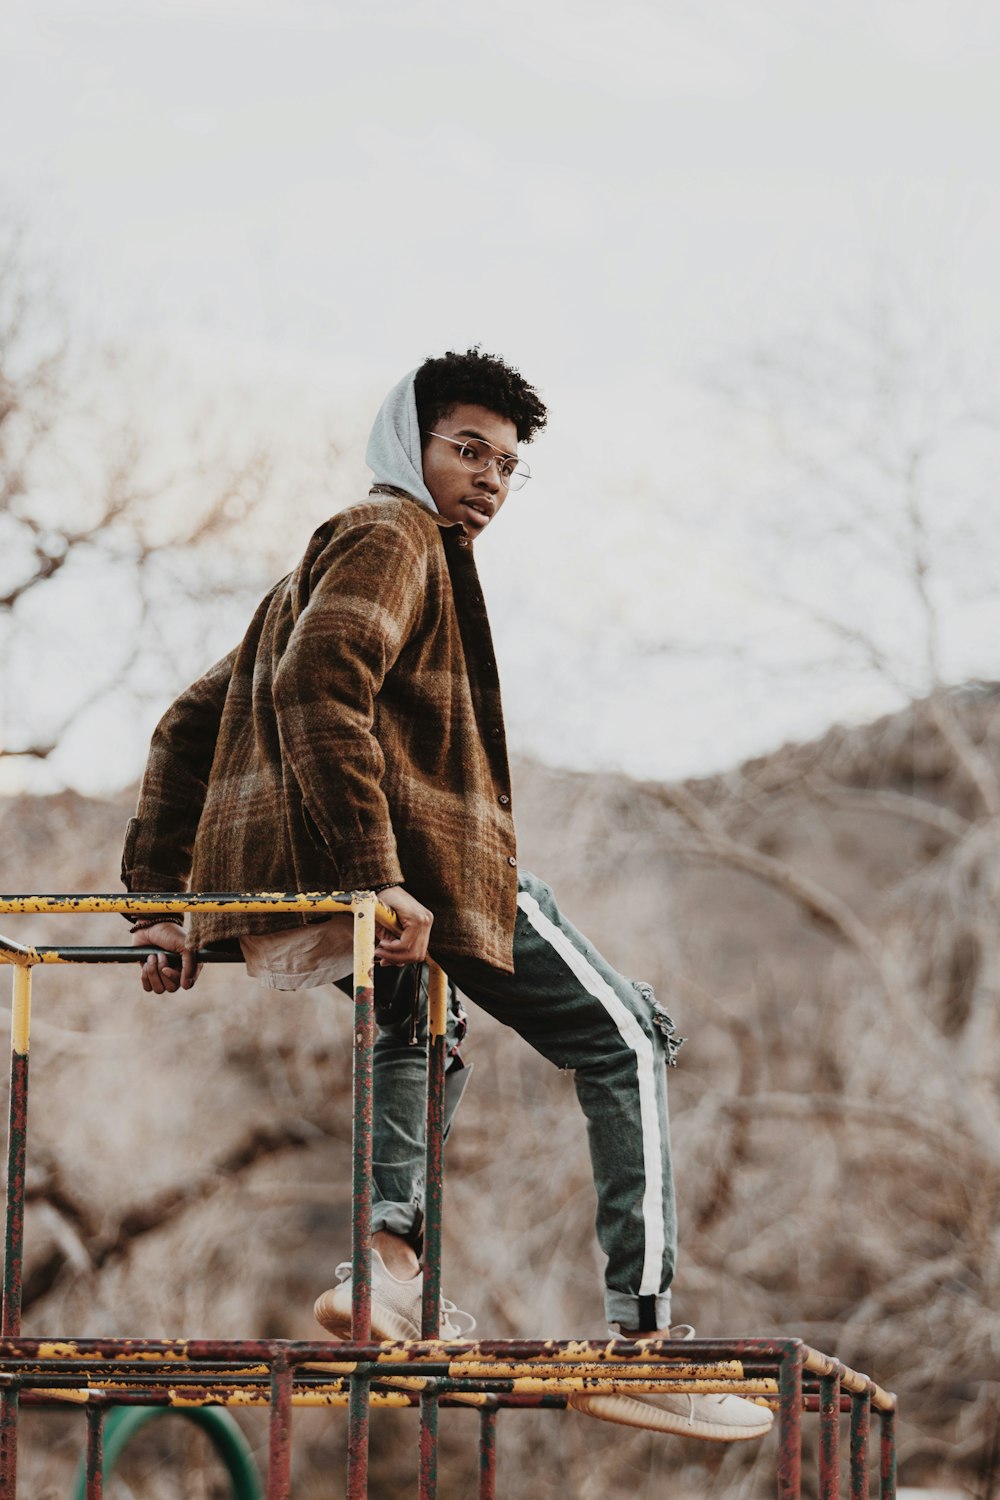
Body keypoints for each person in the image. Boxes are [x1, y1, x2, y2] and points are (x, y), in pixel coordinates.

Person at [121, 349, 772, 1442]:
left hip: (331, 883)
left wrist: (158, 897)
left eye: (509, 465)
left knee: (423, 1024)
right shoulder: (391, 535)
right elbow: (320, 680)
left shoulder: (315, 569)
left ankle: (379, 1271)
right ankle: (647, 1344)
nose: (489, 479)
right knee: (626, 1040)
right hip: (414, 868)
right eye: (467, 448)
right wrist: (377, 873)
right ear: (405, 441)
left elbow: (194, 720)